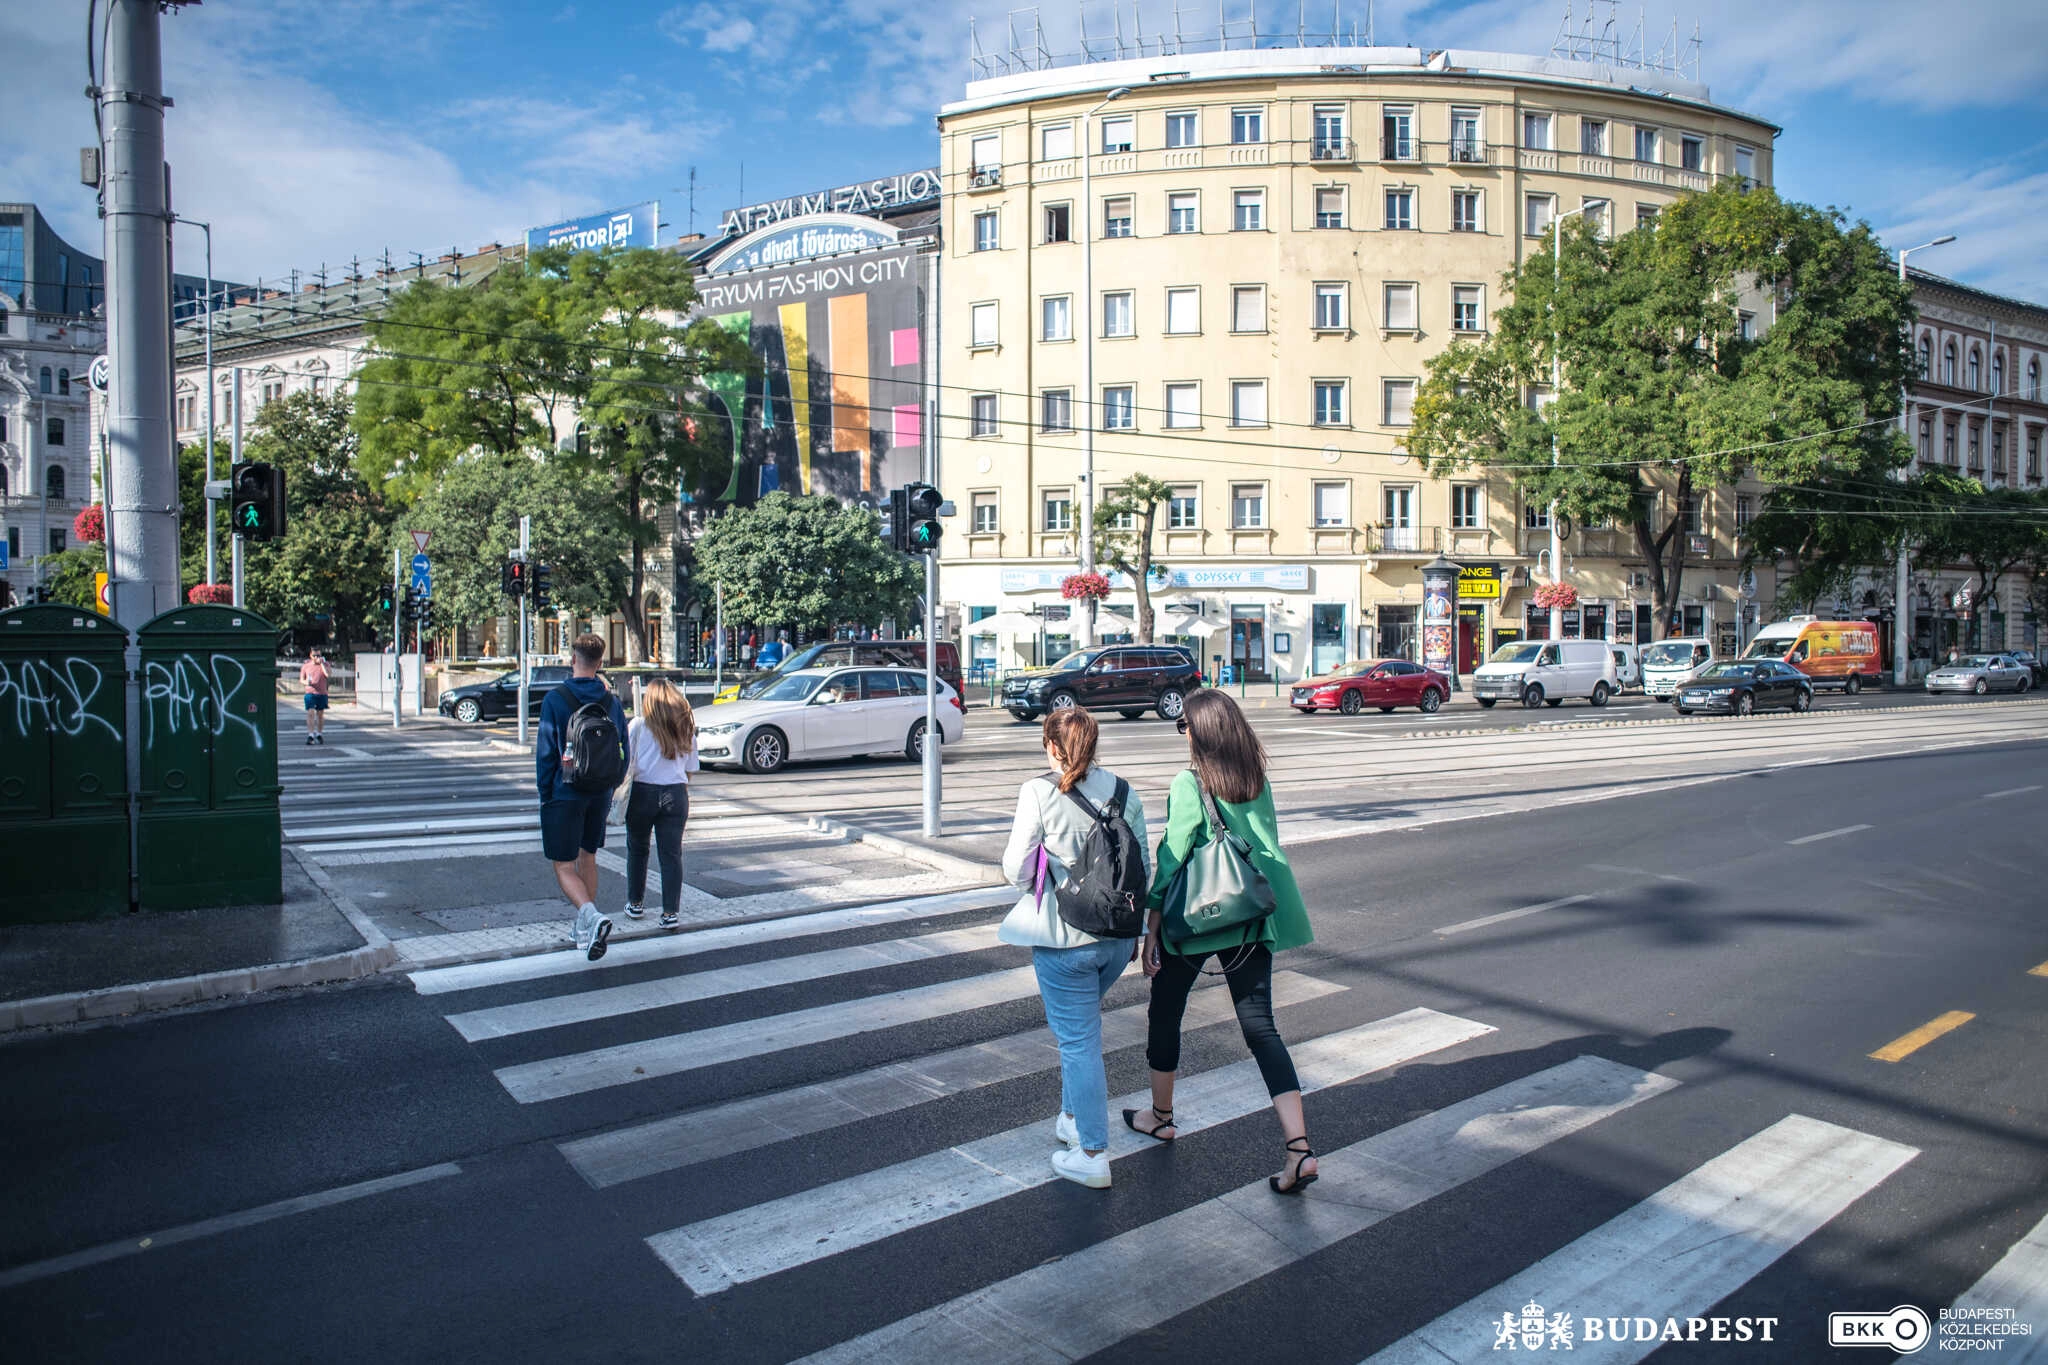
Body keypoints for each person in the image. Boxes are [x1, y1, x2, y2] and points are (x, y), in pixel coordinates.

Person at [1132, 689, 1319, 1194]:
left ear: (1203, 732)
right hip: (1250, 917)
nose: (1183, 734)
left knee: (1166, 1011)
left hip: (1196, 919)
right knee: (1262, 1028)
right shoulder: (1256, 780)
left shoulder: (1189, 783)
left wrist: (1151, 924)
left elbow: (1172, 857)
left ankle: (1161, 1116)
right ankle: (1298, 1148)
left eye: (1185, 726)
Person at [999, 709, 1150, 1190]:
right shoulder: (1125, 792)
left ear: (1050, 746)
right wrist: (1140, 936)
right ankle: (1070, 1116)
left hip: (1065, 941)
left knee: (1079, 1044)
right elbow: (1142, 866)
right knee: (1080, 1035)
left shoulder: (1039, 791)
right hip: (1117, 940)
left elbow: (1015, 870)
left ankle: (1092, 1153)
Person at [536, 633, 629, 961]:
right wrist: (610, 784)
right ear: (600, 663)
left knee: (563, 865)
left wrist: (545, 793)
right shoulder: (611, 702)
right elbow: (623, 751)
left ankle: (591, 915)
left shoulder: (555, 699)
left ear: (572, 659)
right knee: (587, 856)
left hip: (566, 790)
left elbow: (547, 753)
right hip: (599, 791)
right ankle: (586, 931)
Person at [622, 677, 698, 931]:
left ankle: (635, 903)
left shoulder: (638, 726)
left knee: (637, 848)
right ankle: (669, 913)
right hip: (676, 794)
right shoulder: (685, 726)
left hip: (642, 792)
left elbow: (627, 763)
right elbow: (690, 768)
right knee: (671, 854)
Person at [298, 648, 331, 745]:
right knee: (310, 712)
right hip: (310, 692)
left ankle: (319, 733)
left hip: (322, 692)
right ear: (310, 656)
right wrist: (306, 682)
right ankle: (311, 734)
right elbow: (301, 679)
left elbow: (328, 675)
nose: (317, 657)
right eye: (315, 656)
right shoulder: (306, 666)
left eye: (319, 655)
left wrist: (321, 664)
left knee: (320, 714)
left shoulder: (325, 664)